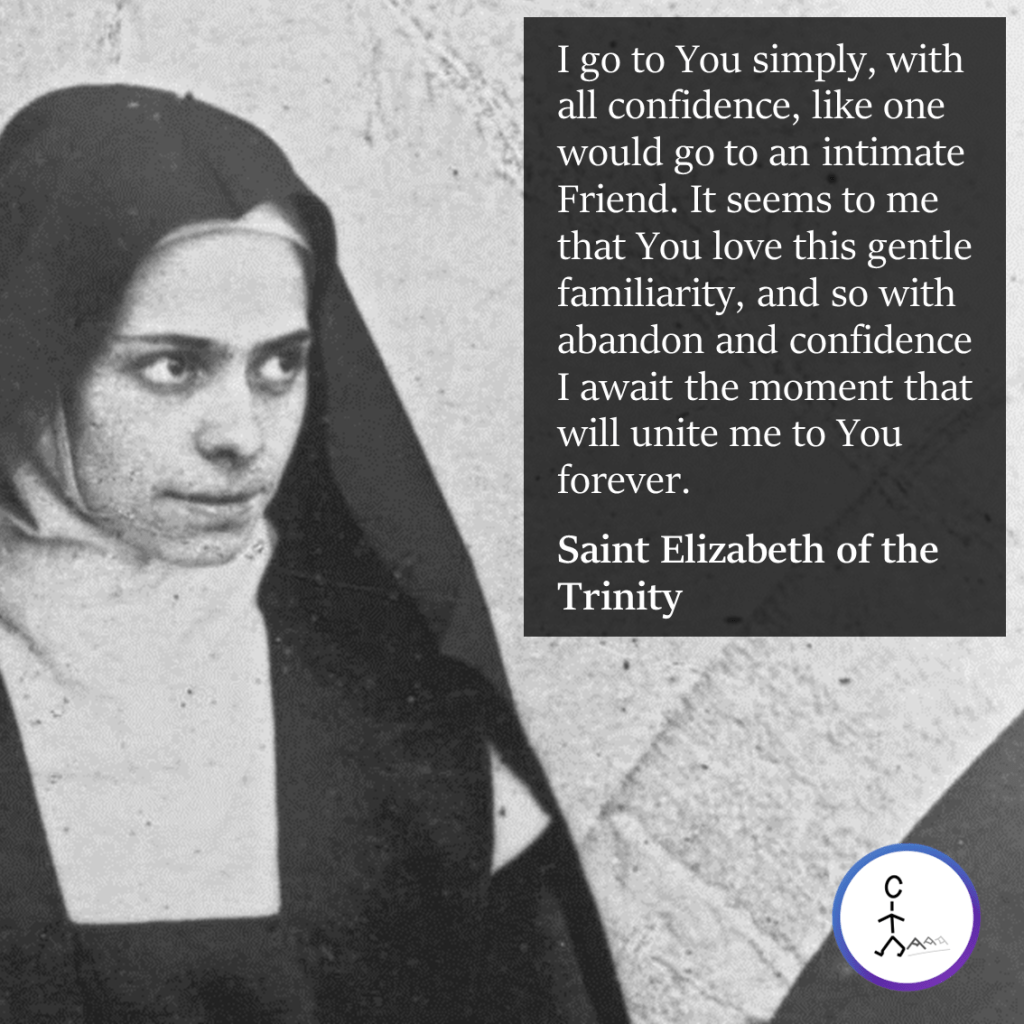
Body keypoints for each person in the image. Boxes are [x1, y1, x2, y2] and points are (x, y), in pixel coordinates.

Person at [0, 84, 630, 1023]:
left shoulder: (423, 753)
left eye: (279, 365)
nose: (241, 436)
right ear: (31, 358)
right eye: (172, 366)